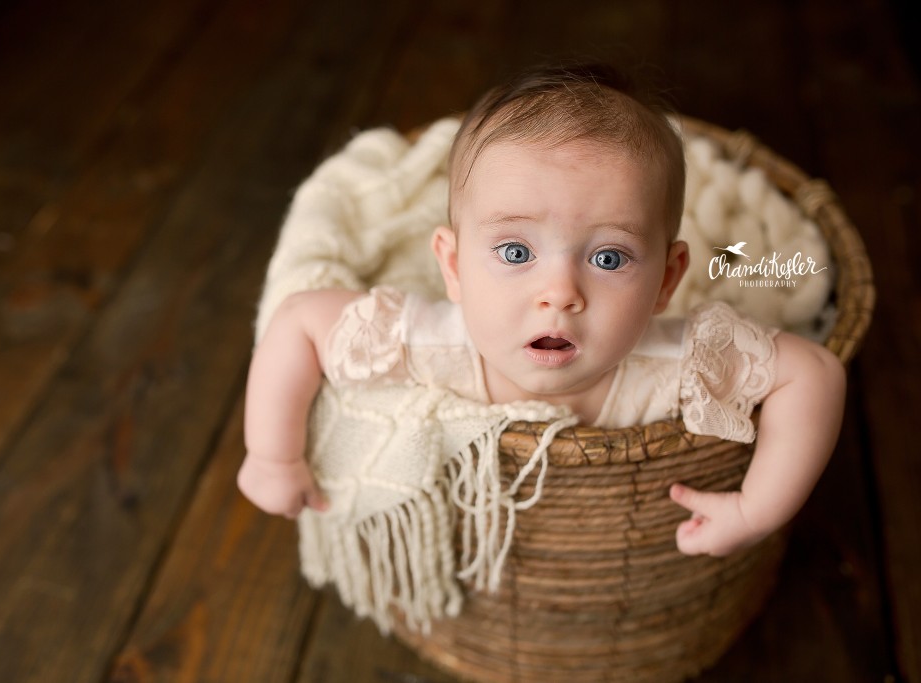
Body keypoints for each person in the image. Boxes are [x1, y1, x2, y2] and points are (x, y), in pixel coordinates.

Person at [238, 62, 846, 558]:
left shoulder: (678, 362)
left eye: (609, 258)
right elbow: (299, 320)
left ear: (666, 280)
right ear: (452, 268)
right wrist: (272, 455)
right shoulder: (426, 342)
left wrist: (755, 510)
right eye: (514, 250)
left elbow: (815, 372)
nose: (559, 292)